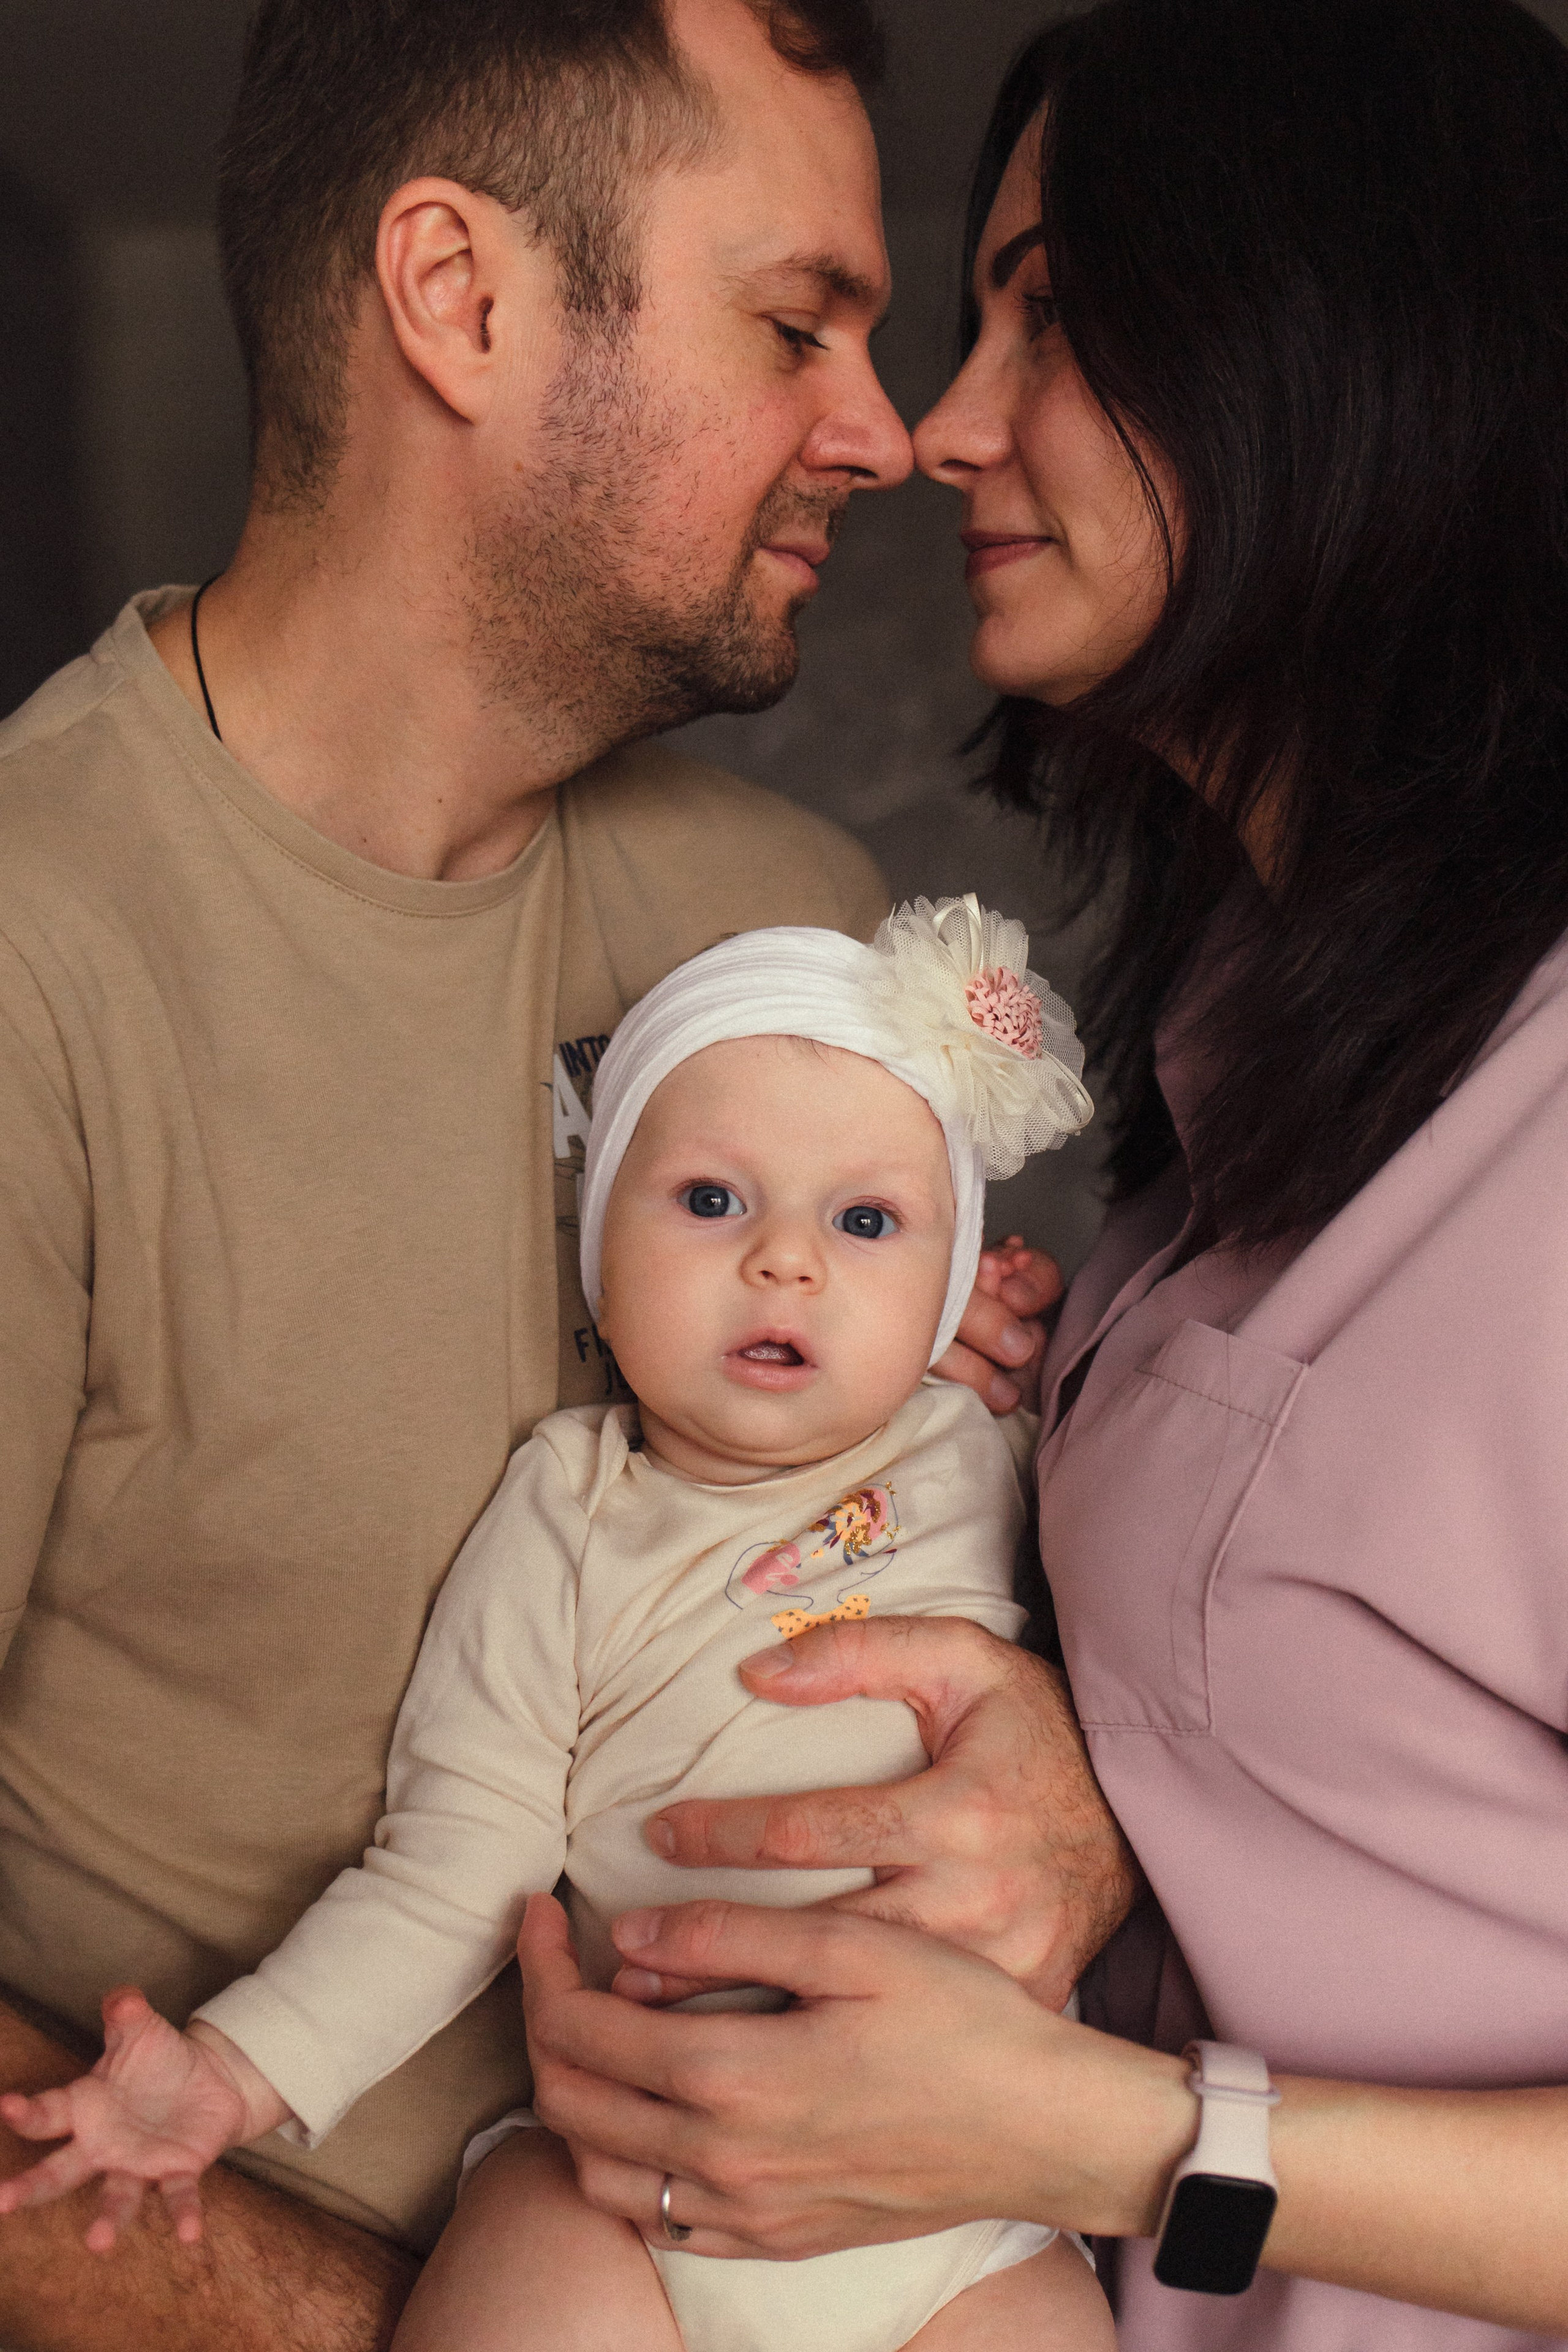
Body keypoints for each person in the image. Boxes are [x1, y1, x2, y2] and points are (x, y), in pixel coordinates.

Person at [0, 5, 1068, 2348]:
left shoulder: (779, 925)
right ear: (461, 299)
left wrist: (1058, 1809)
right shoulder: (34, 957)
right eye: (795, 323)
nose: (886, 437)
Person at [511, 2, 1568, 2346]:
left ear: (1346, 345)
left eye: (1057, 313)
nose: (944, 430)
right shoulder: (1242, 1097)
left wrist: (1112, 2140)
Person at [0, 902, 1110, 2352]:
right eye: (711, 1200)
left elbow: (1156, 1665)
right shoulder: (569, 1511)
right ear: (597, 1248)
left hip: (959, 2209)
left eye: (865, 1222)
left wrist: (1046, 1336)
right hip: (623, 2179)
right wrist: (230, 2070)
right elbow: (459, 1855)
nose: (785, 1261)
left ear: (954, 1279)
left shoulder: (983, 1451)